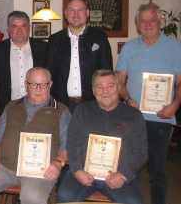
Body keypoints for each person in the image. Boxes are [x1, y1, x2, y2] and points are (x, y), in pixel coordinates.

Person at [0, 67, 71, 203]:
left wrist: (58, 164)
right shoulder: (12, 106)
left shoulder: (61, 110)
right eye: (33, 84)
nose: (38, 88)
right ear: (26, 85)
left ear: (50, 85)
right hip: (5, 167)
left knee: (32, 196)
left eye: (43, 84)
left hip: (39, 170)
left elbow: (68, 145)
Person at [116, 3, 181, 204]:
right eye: (143, 20)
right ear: (138, 24)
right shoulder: (129, 48)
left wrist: (175, 105)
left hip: (161, 118)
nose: (148, 24)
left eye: (152, 19)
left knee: (157, 167)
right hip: (133, 117)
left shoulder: (175, 47)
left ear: (159, 20)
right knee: (126, 165)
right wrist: (127, 100)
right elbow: (120, 82)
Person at [57, 69, 148, 204]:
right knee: (65, 196)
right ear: (93, 90)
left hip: (119, 174)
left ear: (118, 88)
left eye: (110, 86)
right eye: (100, 87)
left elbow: (141, 152)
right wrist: (77, 171)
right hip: (84, 172)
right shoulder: (82, 110)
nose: (105, 92)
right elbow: (72, 143)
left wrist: (123, 175)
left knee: (134, 201)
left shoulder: (134, 115)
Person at [47, 0, 113, 113]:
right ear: (66, 14)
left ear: (87, 13)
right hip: (62, 105)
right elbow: (48, 74)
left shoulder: (100, 38)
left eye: (80, 10)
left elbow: (107, 73)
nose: (76, 15)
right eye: (72, 10)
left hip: (92, 104)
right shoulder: (55, 40)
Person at [0, 11, 48, 117]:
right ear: (8, 29)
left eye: (23, 26)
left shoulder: (44, 48)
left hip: (38, 107)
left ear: (29, 28)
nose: (19, 30)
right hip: (7, 108)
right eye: (15, 26)